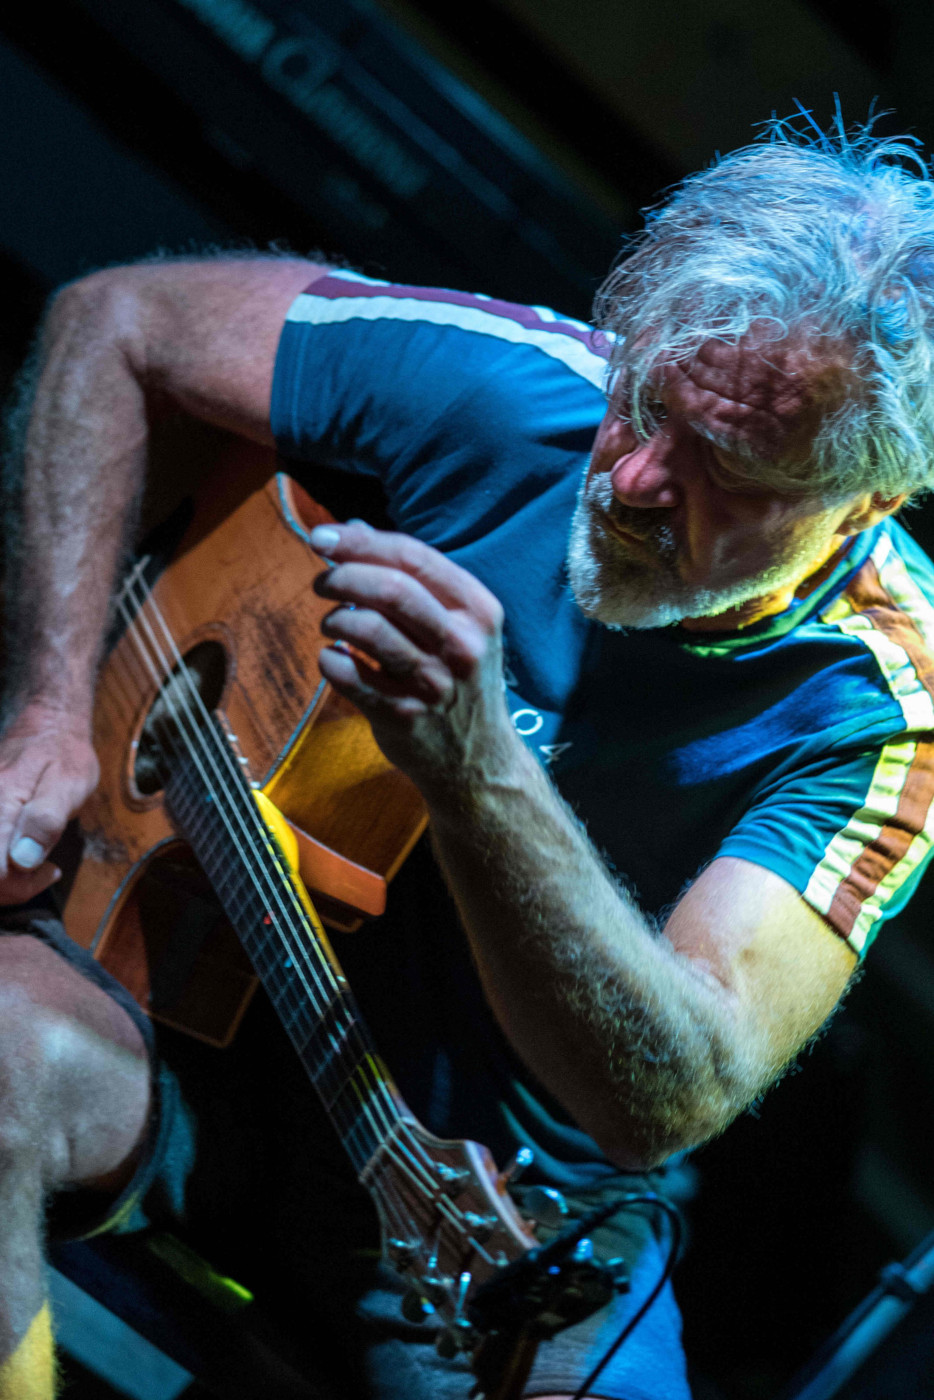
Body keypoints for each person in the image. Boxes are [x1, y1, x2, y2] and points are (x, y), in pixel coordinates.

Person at [3, 118, 934, 1400]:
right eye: (648, 404)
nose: (638, 479)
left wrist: (481, 767)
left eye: (731, 471)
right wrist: (49, 710)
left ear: (863, 501)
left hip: (493, 1215)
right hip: (163, 1023)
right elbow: (114, 324)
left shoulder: (886, 707)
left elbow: (676, 1086)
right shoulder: (514, 385)